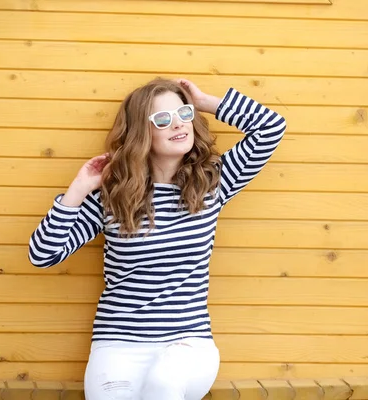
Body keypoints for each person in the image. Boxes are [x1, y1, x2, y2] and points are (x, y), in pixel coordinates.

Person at [28, 78, 287, 400]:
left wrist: (204, 101)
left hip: (186, 345)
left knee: (163, 388)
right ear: (141, 133)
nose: (178, 124)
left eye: (183, 113)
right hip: (118, 346)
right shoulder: (114, 198)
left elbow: (271, 127)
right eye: (162, 119)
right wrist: (78, 190)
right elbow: (43, 254)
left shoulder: (212, 182)